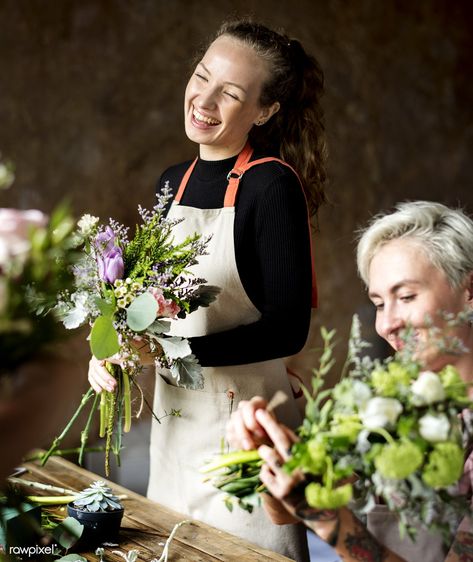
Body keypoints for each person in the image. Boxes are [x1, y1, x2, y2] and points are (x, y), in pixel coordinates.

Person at [88, 18, 327, 561]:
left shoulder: (272, 187)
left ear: (265, 111)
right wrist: (116, 353)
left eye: (232, 93)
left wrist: (172, 353)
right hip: (175, 437)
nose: (205, 99)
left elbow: (289, 330)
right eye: (202, 77)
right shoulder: (170, 184)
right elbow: (146, 310)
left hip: (245, 435)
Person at [227, 201, 473, 562]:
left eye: (405, 297)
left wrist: (326, 519)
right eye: (378, 303)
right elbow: (285, 511)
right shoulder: (391, 399)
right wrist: (271, 457)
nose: (388, 324)